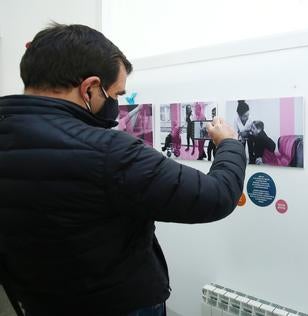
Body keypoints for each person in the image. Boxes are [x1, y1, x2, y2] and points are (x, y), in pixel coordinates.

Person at [0, 23, 246, 316]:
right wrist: (229, 144)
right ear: (90, 88)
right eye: (115, 94)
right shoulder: (109, 151)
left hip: (39, 301)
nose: (116, 105)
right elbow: (215, 196)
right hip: (117, 303)